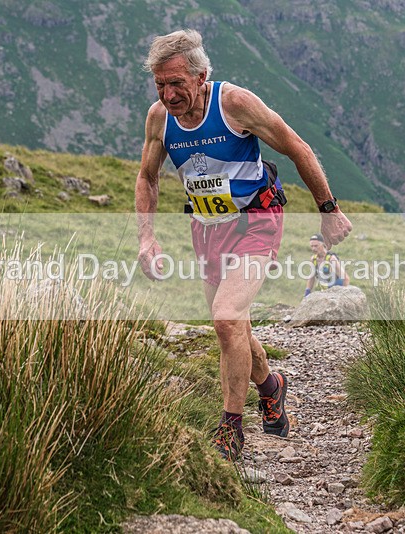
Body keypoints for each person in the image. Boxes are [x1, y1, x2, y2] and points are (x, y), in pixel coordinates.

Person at [135, 29, 352, 461]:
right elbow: (147, 176)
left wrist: (329, 209)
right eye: (160, 84)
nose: (168, 93)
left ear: (202, 76)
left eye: (177, 82)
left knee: (226, 318)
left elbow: (297, 147)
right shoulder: (159, 118)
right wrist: (147, 237)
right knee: (235, 327)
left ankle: (231, 428)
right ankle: (271, 386)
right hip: (207, 228)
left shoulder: (233, 104)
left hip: (258, 220)